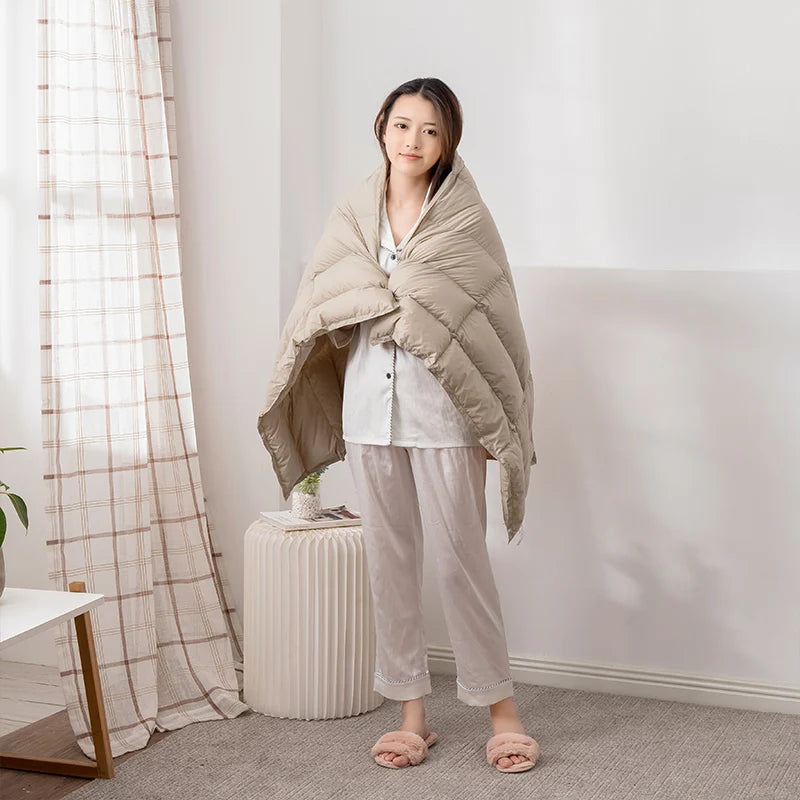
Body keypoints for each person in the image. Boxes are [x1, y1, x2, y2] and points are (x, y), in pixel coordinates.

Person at [341, 78, 539, 772]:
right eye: (402, 125)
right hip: (368, 408)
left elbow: (492, 312)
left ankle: (501, 710)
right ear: (381, 127)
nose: (414, 141)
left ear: (448, 139)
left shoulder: (464, 216)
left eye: (430, 129)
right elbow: (330, 294)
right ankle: (412, 716)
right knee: (390, 564)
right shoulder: (354, 212)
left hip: (444, 410)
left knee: (461, 562)